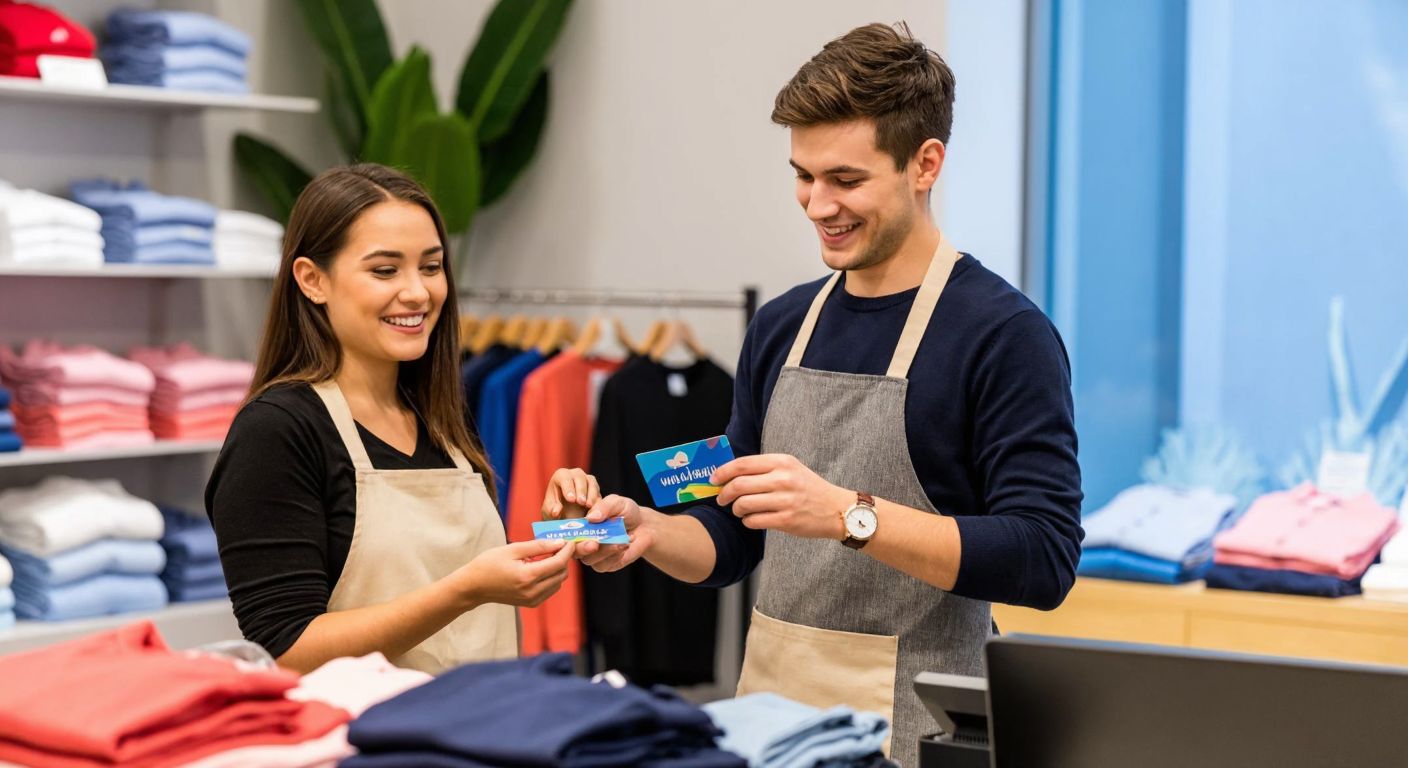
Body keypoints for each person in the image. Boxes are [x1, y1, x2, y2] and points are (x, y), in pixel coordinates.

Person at [545, 22, 1083, 765]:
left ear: (925, 164)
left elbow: (1044, 556)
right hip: (770, 725)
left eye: (846, 180)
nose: (816, 204)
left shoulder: (1004, 336)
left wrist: (846, 515)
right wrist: (645, 532)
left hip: (918, 737)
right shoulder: (782, 325)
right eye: (803, 174)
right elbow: (733, 537)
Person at [207, 164, 574, 675]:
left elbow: (465, 589)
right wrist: (464, 591)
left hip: (479, 732)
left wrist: (558, 536)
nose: (419, 293)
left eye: (430, 266)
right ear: (312, 280)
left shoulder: (440, 420)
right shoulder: (276, 431)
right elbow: (285, 648)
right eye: (385, 270)